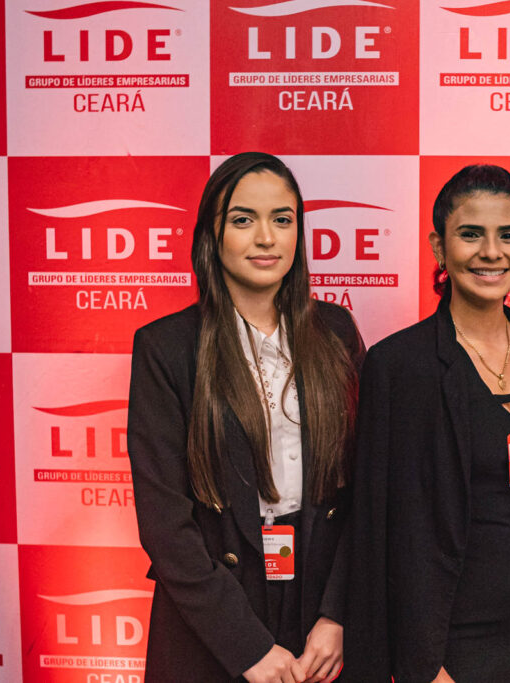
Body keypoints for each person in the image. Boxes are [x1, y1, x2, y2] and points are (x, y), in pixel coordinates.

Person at [344, 165, 510, 682]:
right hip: (452, 633)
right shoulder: (400, 365)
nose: (492, 252)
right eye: (471, 234)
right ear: (439, 248)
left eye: (508, 235)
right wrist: (423, 661)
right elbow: (385, 529)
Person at [127, 152, 363, 683]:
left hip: (318, 612)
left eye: (282, 220)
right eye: (243, 220)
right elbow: (165, 524)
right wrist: (247, 647)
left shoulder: (336, 331)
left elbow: (365, 492)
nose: (266, 238)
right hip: (213, 613)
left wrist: (338, 614)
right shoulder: (166, 348)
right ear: (211, 234)